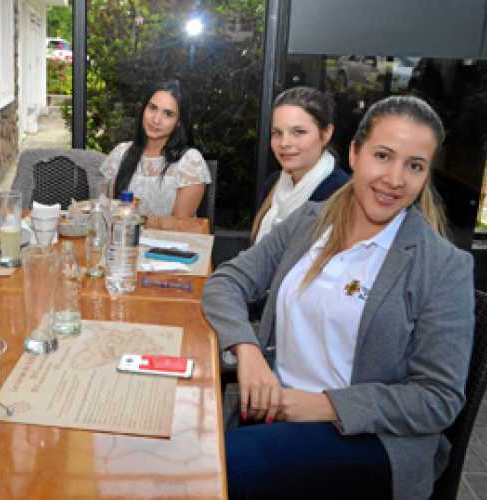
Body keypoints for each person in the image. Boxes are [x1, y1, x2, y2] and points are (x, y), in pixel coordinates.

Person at [201, 96, 474, 500]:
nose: (395, 179)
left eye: (414, 166)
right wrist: (247, 349)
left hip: (368, 437)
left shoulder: (443, 265)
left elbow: (438, 398)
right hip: (276, 413)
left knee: (216, 468)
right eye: (383, 156)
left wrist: (321, 405)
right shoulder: (310, 221)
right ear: (355, 153)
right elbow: (226, 281)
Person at [251, 86, 350, 243]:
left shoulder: (343, 195)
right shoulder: (273, 183)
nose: (284, 143)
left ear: (326, 134)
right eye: (277, 133)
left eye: (298, 132)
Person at [100, 80, 211, 217]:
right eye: (152, 108)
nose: (156, 120)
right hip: (122, 231)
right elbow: (104, 213)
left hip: (169, 233)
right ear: (143, 109)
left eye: (168, 114)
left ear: (178, 122)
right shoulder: (120, 153)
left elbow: (179, 225)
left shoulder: (190, 161)